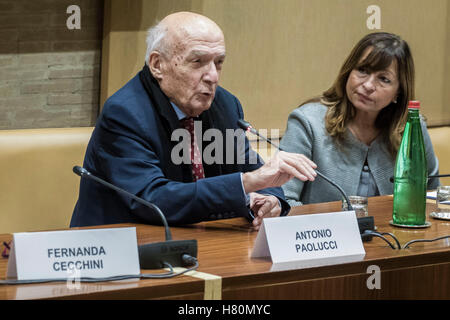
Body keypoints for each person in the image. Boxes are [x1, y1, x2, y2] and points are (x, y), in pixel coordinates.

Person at [70, 12, 317, 230]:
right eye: (197, 62)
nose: (212, 76)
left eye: (218, 63)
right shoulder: (125, 114)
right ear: (158, 65)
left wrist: (270, 198)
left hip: (201, 242)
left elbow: (255, 172)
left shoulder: (224, 105)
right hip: (121, 248)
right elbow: (154, 199)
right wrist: (248, 183)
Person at [280, 32, 440, 207]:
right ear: (348, 71)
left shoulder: (411, 129)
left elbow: (432, 198)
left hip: (395, 234)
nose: (368, 85)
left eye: (384, 79)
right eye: (362, 70)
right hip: (323, 233)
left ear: (398, 92)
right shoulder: (307, 123)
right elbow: (282, 201)